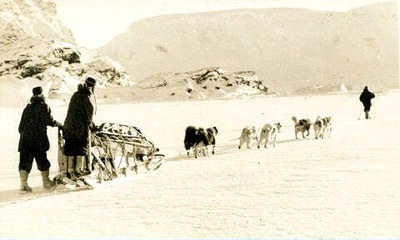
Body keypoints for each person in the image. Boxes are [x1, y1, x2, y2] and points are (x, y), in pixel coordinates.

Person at [18, 86, 62, 192]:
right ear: (42, 94)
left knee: (24, 161)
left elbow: (20, 127)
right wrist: (59, 124)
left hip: (25, 140)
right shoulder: (44, 106)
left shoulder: (27, 108)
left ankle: (23, 184)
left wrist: (26, 134)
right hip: (38, 140)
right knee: (42, 160)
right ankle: (46, 182)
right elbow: (49, 120)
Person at [63, 77, 97, 179]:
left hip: (69, 127)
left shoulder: (75, 94)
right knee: (80, 148)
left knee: (70, 148)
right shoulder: (85, 97)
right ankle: (78, 170)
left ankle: (69, 171)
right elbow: (89, 115)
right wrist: (92, 125)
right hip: (79, 129)